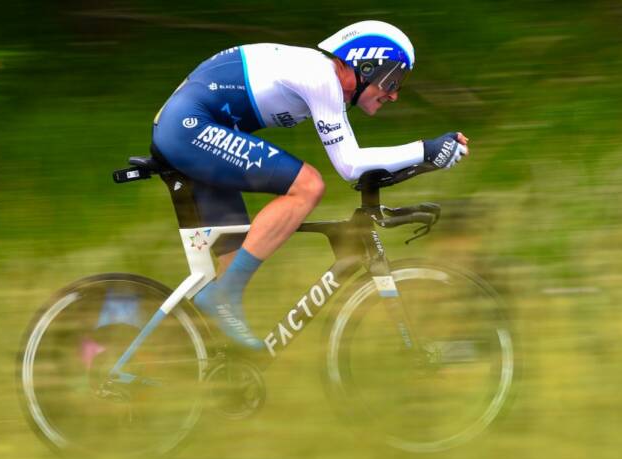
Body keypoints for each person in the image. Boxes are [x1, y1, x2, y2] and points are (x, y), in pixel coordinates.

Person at [150, 20, 469, 349]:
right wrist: (426, 149)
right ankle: (220, 300)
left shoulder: (319, 74)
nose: (394, 93)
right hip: (189, 129)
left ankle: (211, 365)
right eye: (392, 79)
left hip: (193, 129)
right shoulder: (321, 77)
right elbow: (350, 165)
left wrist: (425, 159)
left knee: (234, 259)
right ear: (366, 64)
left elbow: (358, 166)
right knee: (308, 186)